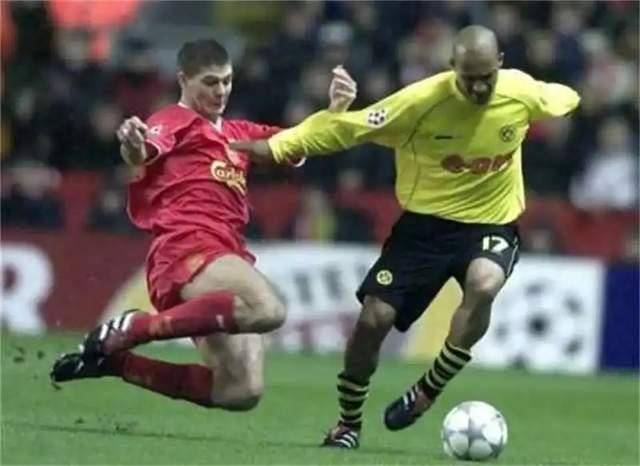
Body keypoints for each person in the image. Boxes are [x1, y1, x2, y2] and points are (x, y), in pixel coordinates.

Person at [232, 25, 580, 448]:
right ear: (452, 67)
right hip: (423, 230)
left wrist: (577, 98)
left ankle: (429, 389)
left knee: (485, 283)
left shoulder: (520, 91)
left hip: (491, 224)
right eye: (469, 77)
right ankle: (348, 423)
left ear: (500, 64)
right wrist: (278, 147)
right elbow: (348, 129)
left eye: (487, 76)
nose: (479, 87)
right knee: (373, 321)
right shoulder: (420, 102)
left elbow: (565, 96)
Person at [50, 39, 357, 412]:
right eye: (210, 82)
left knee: (241, 391)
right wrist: (132, 145)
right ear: (184, 80)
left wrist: (334, 112)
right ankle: (134, 328)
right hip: (187, 246)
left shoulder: (240, 134)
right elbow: (142, 151)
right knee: (268, 309)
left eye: (227, 81)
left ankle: (116, 363)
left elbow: (299, 142)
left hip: (223, 255)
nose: (221, 90)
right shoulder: (172, 119)